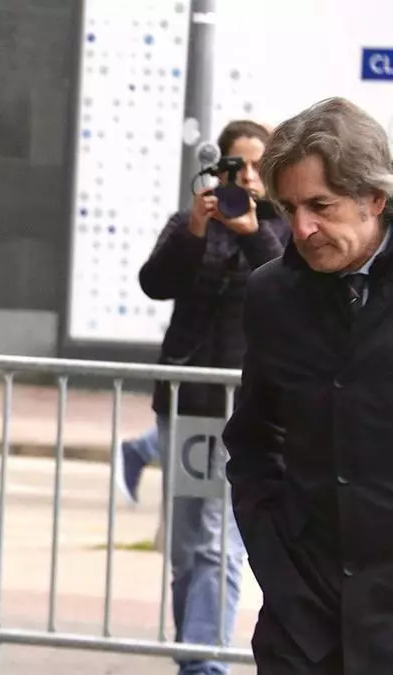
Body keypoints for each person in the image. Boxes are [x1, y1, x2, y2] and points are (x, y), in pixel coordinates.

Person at [224, 96, 393, 673]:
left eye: (321, 205)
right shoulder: (272, 294)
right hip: (303, 624)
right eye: (289, 207)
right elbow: (252, 443)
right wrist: (280, 571)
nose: (302, 228)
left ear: (375, 198)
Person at [133, 119, 292, 675]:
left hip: (246, 408)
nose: (246, 177)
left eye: (258, 166)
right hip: (185, 400)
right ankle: (193, 654)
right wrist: (196, 230)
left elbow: (286, 286)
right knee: (184, 548)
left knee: (219, 542)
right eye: (235, 165)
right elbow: (155, 283)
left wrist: (250, 231)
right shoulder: (189, 222)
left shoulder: (285, 228)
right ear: (217, 169)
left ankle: (204, 664)